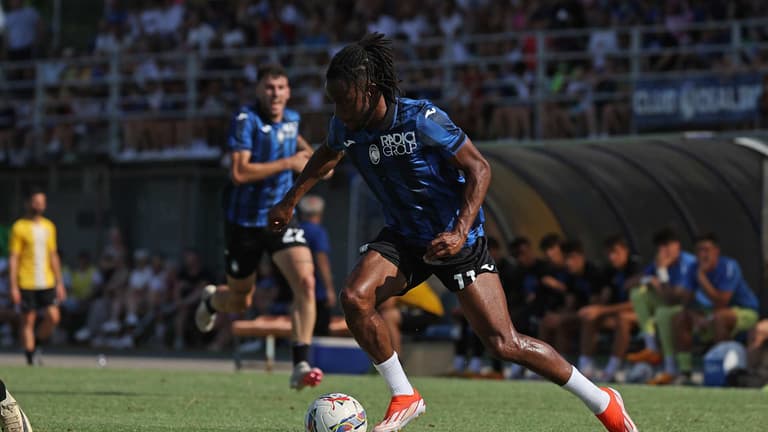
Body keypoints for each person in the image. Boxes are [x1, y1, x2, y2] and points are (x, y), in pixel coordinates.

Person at [269, 33, 636, 432]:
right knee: (355, 298)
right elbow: (326, 154)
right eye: (333, 101)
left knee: (505, 344)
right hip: (404, 236)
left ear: (369, 89)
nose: (337, 109)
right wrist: (291, 199)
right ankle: (405, 395)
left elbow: (480, 168)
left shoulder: (420, 118)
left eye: (343, 98)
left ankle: (602, 400)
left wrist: (461, 231)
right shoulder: (347, 124)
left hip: (457, 242)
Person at [195, 63, 323, 390]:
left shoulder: (293, 121)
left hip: (279, 216)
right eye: (269, 87)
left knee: (306, 284)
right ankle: (212, 300)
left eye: (281, 87)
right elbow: (239, 173)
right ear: (258, 90)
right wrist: (289, 164)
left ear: (289, 91)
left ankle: (300, 363)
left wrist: (319, 165)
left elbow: (307, 155)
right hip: (243, 222)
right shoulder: (245, 120)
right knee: (241, 301)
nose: (275, 94)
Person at [673, 233, 760, 383]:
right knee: (680, 317)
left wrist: (701, 277)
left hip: (745, 311)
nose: (703, 254)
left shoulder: (729, 266)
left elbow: (722, 302)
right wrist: (696, 317)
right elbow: (685, 302)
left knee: (720, 318)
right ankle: (684, 372)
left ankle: (720, 372)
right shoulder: (693, 267)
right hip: (712, 313)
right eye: (699, 250)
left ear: (716, 251)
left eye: (707, 250)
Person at [626, 227, 696, 385]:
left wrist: (662, 272)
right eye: (661, 246)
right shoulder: (659, 262)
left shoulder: (689, 263)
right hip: (673, 304)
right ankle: (651, 348)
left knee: (663, 313)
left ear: (677, 245)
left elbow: (674, 298)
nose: (664, 250)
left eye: (668, 245)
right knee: (638, 293)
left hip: (692, 307)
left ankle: (672, 370)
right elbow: (629, 284)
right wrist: (648, 280)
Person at [9, 188, 66, 366]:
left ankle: (36, 344)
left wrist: (59, 282)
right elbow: (14, 258)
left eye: (42, 202)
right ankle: (30, 358)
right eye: (36, 202)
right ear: (28, 203)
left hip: (46, 281)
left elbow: (53, 255)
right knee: (28, 320)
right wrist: (13, 286)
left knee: (53, 317)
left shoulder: (49, 226)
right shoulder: (19, 227)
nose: (39, 205)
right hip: (26, 281)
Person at [578, 235, 640, 381]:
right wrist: (596, 306)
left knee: (622, 319)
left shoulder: (636, 268)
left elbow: (634, 305)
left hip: (640, 316)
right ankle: (585, 366)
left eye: (616, 252)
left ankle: (612, 369)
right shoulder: (609, 271)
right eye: (609, 253)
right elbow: (604, 298)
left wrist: (601, 310)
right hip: (615, 315)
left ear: (625, 251)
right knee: (590, 317)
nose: (612, 257)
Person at [297, 195, 337, 336]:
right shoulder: (318, 232)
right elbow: (322, 261)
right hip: (316, 290)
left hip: (295, 287)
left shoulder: (295, 230)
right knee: (319, 331)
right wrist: (329, 289)